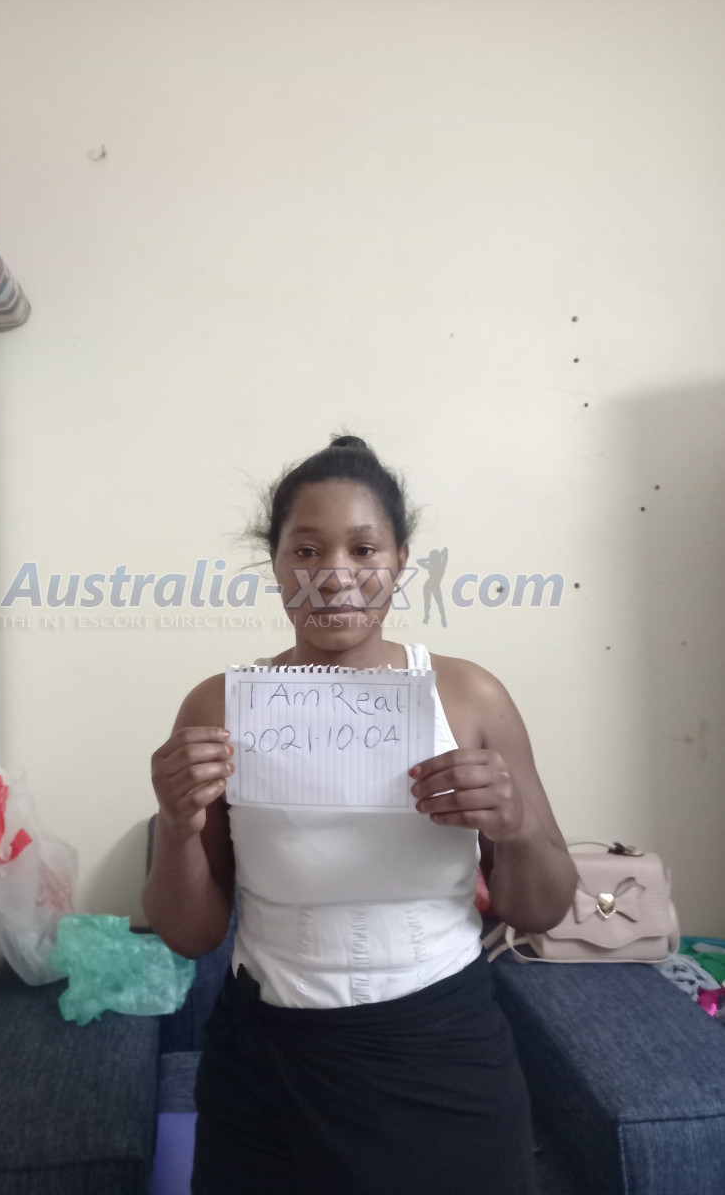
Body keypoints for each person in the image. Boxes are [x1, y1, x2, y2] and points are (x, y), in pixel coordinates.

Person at [144, 435, 577, 1195]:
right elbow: (191, 934)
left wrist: (515, 830)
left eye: (363, 549)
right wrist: (177, 827)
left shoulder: (470, 697)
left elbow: (540, 908)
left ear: (401, 560)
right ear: (276, 563)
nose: (335, 575)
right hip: (269, 1065)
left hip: (441, 1051)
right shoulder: (221, 705)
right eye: (307, 551)